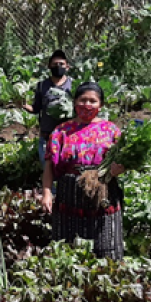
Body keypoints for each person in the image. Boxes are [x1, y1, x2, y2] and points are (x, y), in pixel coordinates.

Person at [41, 82, 126, 259]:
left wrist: (119, 169)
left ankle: (107, 277)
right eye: (82, 100)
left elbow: (123, 161)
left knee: (106, 243)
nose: (87, 105)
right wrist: (47, 193)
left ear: (101, 105)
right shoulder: (61, 131)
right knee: (67, 244)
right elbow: (49, 165)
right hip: (69, 192)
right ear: (74, 102)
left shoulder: (112, 131)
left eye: (92, 101)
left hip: (103, 190)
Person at [24, 50, 74, 167]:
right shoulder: (42, 85)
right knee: (47, 168)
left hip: (68, 136)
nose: (58, 66)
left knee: (66, 169)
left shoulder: (74, 85)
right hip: (47, 136)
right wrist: (24, 105)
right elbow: (36, 109)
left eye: (61, 64)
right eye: (54, 64)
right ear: (49, 66)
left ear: (67, 66)